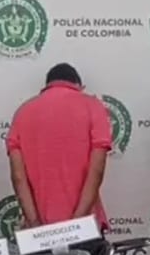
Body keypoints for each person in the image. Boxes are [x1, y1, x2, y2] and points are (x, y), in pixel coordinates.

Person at [6, 63, 113, 231]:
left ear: (47, 85)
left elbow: (18, 177)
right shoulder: (93, 106)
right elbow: (97, 169)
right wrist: (77, 223)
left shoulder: (23, 112)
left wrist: (34, 223)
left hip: (40, 227)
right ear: (78, 85)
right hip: (84, 225)